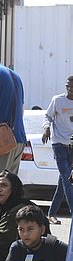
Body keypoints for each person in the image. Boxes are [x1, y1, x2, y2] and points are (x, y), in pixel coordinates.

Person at [43, 76, 73, 223]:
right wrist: (46, 128)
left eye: (72, 87)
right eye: (67, 86)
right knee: (68, 178)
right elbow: (47, 116)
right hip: (59, 144)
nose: (69, 89)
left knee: (63, 180)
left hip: (72, 145)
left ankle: (51, 213)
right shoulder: (58, 100)